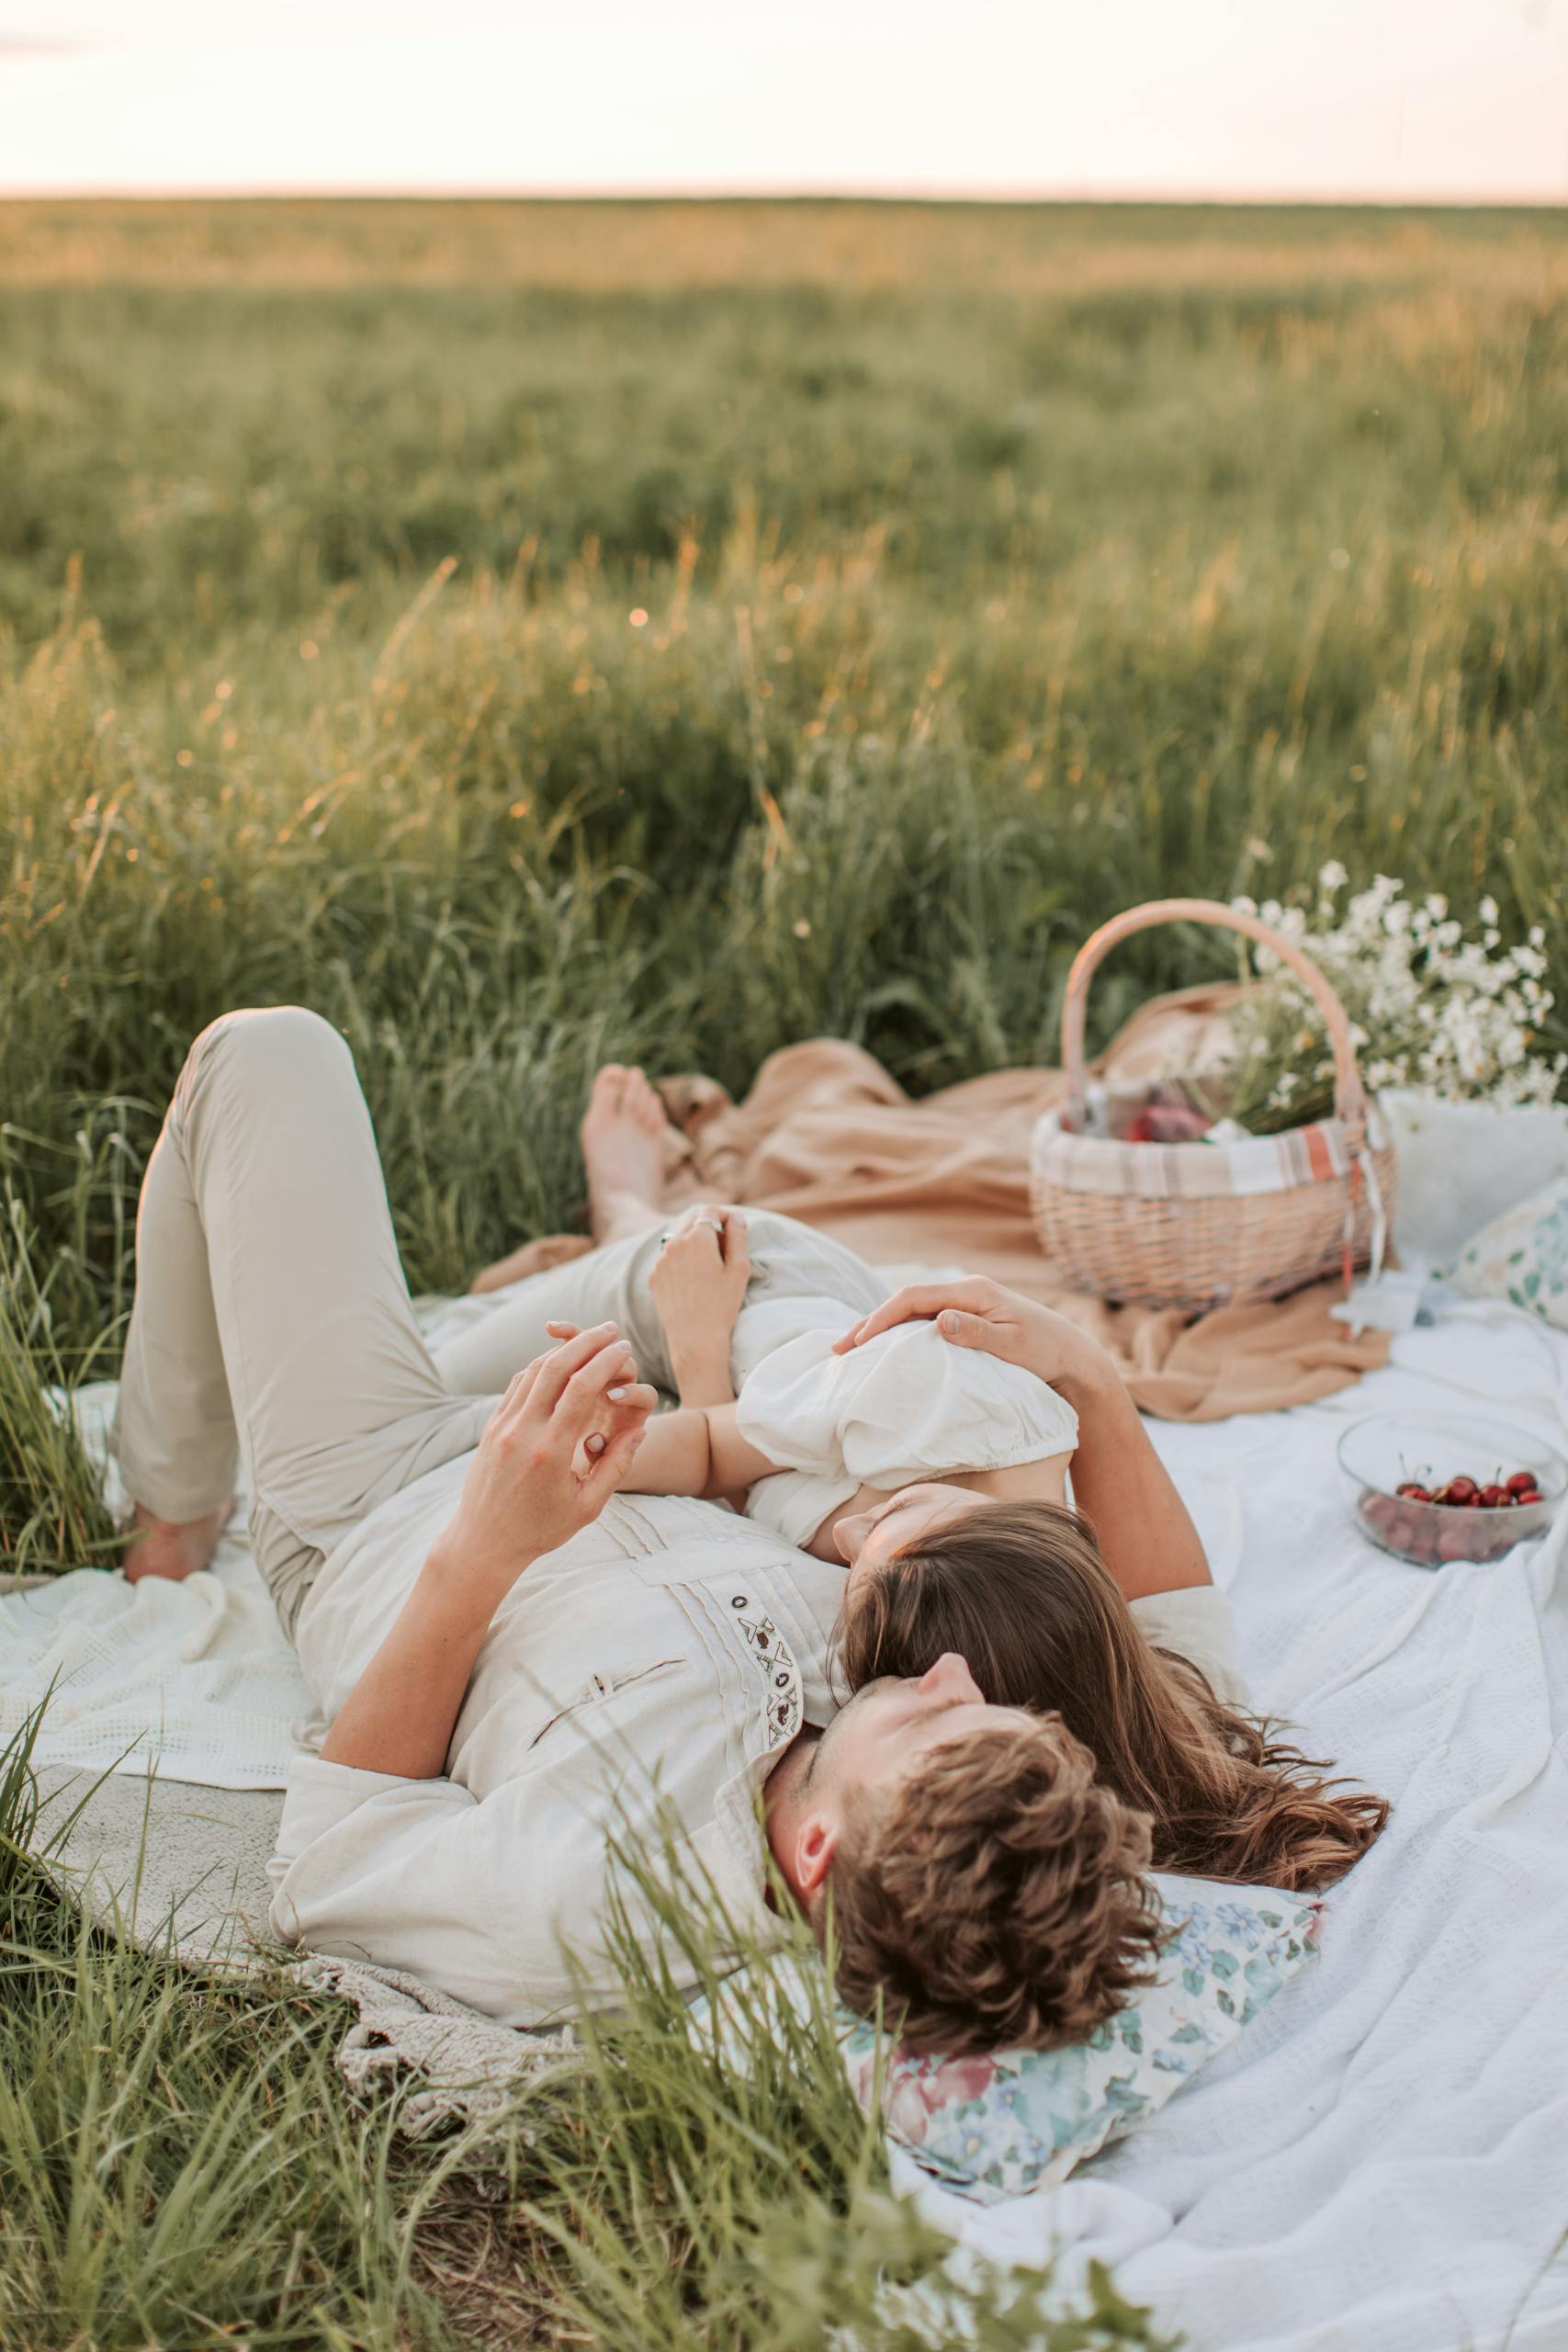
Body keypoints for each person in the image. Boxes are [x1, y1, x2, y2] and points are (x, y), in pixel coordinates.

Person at [114, 1009, 1162, 2055]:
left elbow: (332, 1851)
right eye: (997, 1712)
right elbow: (1171, 1634)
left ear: (811, 1851)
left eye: (931, 1723)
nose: (953, 1678)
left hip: (383, 1488)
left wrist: (485, 1546)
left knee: (267, 1055)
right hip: (638, 1413)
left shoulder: (590, 1898)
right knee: (754, 1254)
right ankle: (624, 1220)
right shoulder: (953, 1753)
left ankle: (175, 1501)